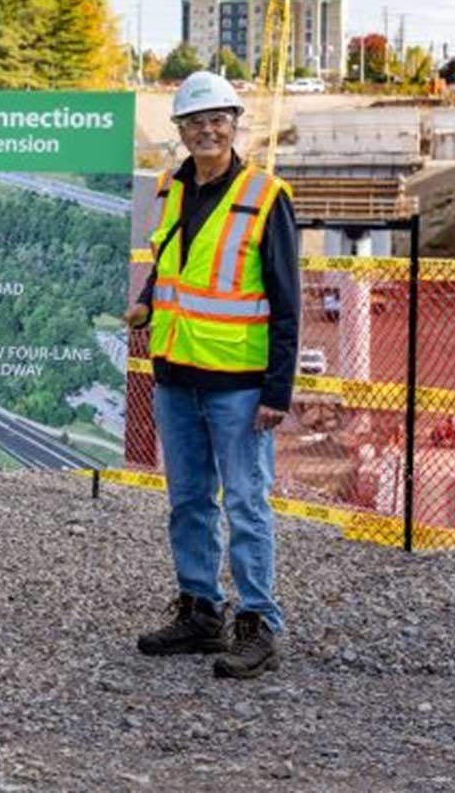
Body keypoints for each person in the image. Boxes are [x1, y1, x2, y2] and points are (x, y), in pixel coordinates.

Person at [124, 70, 299, 679]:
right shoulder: (173, 189)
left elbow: (287, 299)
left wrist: (278, 390)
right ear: (179, 129)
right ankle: (201, 611)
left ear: (234, 123)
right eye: (195, 121)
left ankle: (259, 624)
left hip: (238, 382)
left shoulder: (264, 195)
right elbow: (170, 262)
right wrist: (147, 301)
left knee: (247, 504)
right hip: (176, 371)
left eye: (217, 118)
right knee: (189, 500)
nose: (207, 128)